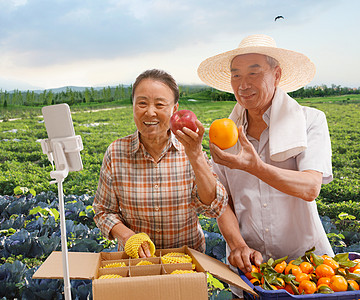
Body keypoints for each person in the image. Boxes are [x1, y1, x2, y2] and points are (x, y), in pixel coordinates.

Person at [197, 34, 334, 287]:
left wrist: (256, 167)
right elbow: (221, 200)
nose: (243, 84)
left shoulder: (310, 121)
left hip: (306, 267)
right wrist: (238, 245)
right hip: (250, 269)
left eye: (254, 73)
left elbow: (310, 187)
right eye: (236, 75)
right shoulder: (224, 133)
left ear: (277, 75)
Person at [93, 69, 229, 257]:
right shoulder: (116, 153)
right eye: (142, 103)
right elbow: (103, 211)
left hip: (187, 262)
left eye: (159, 104)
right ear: (132, 106)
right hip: (135, 262)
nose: (150, 112)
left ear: (175, 109)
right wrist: (128, 236)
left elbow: (214, 207)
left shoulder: (189, 148)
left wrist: (196, 156)